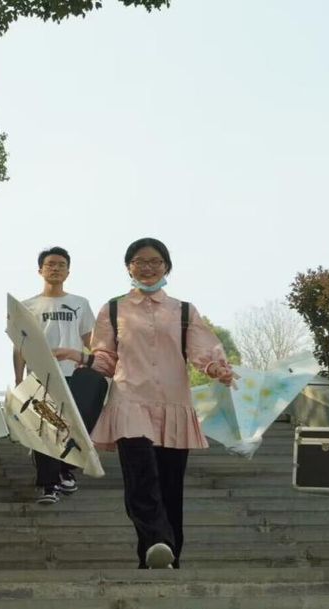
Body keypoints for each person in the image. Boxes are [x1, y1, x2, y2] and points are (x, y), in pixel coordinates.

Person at [55, 238, 235, 570]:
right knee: (140, 480)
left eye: (155, 262)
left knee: (169, 488)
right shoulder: (113, 309)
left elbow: (201, 352)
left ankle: (163, 558)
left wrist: (216, 369)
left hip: (173, 404)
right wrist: (78, 356)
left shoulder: (184, 310)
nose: (148, 268)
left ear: (166, 267)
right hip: (129, 401)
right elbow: (106, 360)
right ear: (129, 267)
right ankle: (157, 542)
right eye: (140, 261)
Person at [14, 247, 96, 505]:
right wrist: (19, 380)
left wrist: (98, 368)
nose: (56, 268)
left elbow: (91, 341)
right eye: (50, 264)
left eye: (61, 264)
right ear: (40, 270)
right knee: (45, 430)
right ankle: (49, 485)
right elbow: (20, 345)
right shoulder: (27, 306)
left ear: (68, 272)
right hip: (40, 377)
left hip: (73, 375)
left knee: (72, 427)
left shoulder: (80, 303)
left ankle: (64, 469)